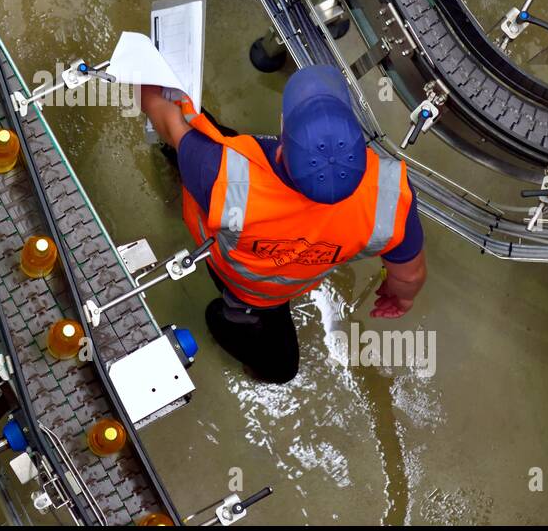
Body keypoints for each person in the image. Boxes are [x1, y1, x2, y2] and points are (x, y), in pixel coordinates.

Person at [140, 66, 427, 384]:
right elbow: (409, 275)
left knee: (198, 140)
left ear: (281, 126)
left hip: (237, 283)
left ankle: (225, 316)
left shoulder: (222, 171)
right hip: (278, 290)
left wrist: (147, 78)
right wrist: (401, 297)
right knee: (282, 370)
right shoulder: (388, 198)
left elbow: (165, 118)